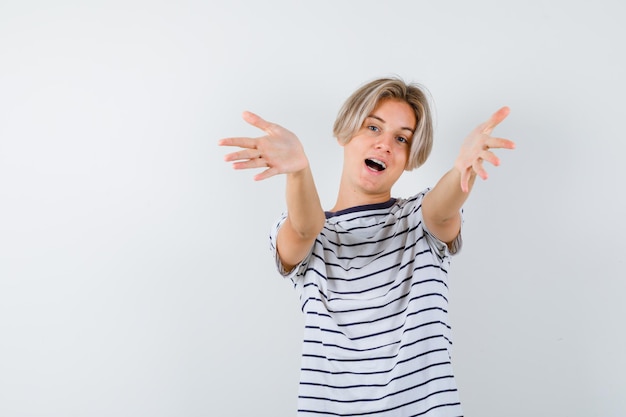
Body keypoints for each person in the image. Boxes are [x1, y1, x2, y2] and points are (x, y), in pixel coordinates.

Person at [218, 77, 515, 416]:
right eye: (374, 128)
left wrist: (463, 169)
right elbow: (304, 229)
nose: (385, 144)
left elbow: (442, 209)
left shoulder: (417, 220)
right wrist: (299, 172)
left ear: (409, 156)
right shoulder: (309, 231)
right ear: (346, 133)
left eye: (401, 138)